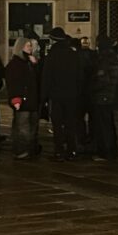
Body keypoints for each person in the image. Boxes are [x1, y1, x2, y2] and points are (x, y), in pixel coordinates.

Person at [41, 27, 80, 161]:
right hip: (71, 95)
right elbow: (79, 76)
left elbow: (47, 77)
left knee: (57, 124)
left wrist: (44, 96)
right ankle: (72, 150)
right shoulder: (73, 54)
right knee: (70, 123)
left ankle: (59, 151)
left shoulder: (52, 55)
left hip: (56, 95)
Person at [5, 38, 40, 160]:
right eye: (27, 45)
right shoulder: (15, 64)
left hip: (32, 99)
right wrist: (16, 99)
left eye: (30, 45)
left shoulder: (30, 62)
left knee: (32, 126)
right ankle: (21, 149)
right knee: (23, 127)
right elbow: (13, 83)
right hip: (23, 100)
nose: (29, 48)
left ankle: (30, 148)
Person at [90, 35, 118, 161]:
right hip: (112, 95)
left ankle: (105, 152)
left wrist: (92, 88)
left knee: (103, 125)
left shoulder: (103, 59)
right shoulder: (115, 57)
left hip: (103, 96)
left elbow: (102, 80)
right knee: (108, 124)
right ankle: (110, 150)